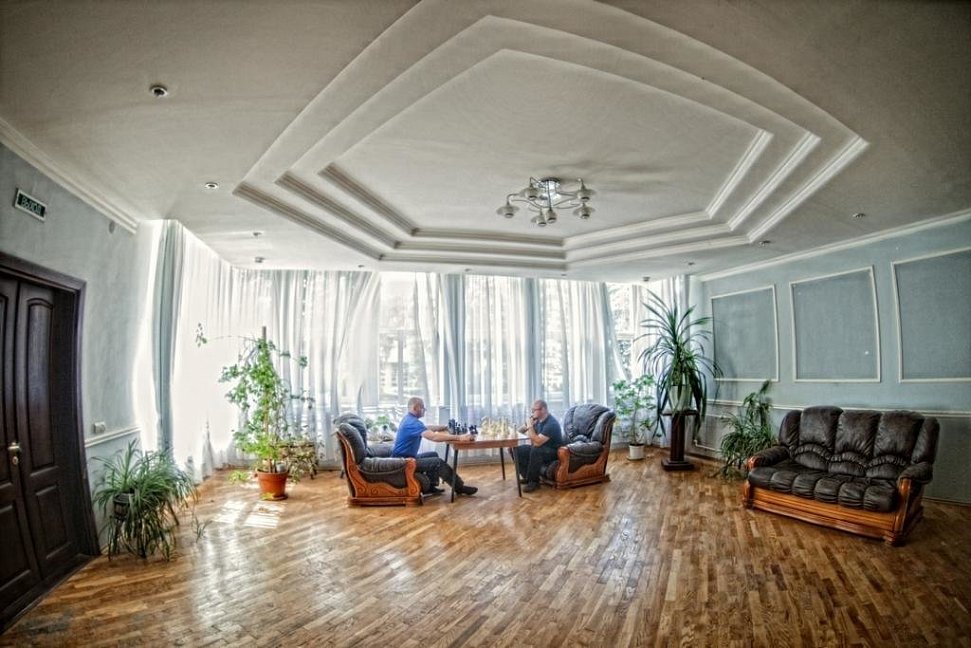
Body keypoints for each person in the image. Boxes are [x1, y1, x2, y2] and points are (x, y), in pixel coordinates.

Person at [392, 396, 478, 496]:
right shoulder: (412, 423)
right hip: (404, 462)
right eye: (423, 407)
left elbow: (426, 427)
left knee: (433, 454)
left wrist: (444, 427)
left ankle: (430, 487)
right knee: (438, 462)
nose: (425, 409)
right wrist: (459, 437)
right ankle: (459, 488)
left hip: (405, 458)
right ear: (416, 408)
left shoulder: (409, 419)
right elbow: (434, 437)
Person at [512, 399, 564, 492]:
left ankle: (534, 482)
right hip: (541, 448)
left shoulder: (551, 424)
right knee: (516, 450)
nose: (532, 412)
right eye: (532, 410)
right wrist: (527, 424)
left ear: (543, 410)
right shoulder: (537, 420)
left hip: (554, 452)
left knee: (536, 449)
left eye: (534, 410)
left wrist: (530, 427)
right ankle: (527, 477)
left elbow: (537, 442)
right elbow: (518, 432)